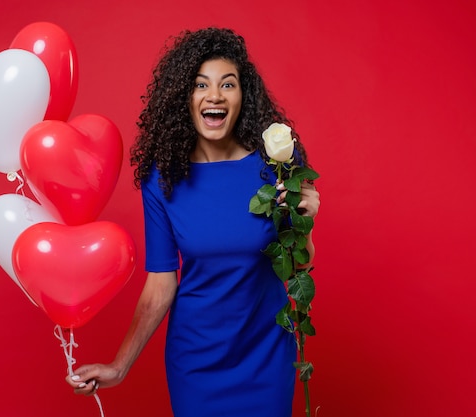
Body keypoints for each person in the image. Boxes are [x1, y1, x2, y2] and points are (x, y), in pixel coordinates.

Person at [65, 27, 320, 417]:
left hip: (266, 351)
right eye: (201, 84)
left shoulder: (278, 165)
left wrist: (306, 222)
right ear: (183, 97)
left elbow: (298, 265)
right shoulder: (162, 177)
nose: (214, 95)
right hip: (196, 359)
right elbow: (161, 282)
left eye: (227, 84)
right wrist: (121, 365)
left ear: (242, 96)